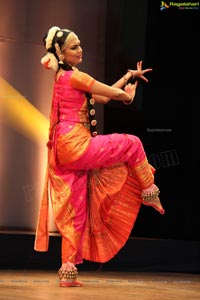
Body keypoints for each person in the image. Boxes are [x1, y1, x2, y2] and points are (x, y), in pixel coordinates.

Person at [34, 26, 165, 287]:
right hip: (76, 145)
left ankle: (67, 272)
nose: (80, 49)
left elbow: (101, 97)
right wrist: (127, 98)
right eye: (73, 47)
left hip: (65, 150)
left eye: (80, 44)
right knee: (132, 143)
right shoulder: (74, 76)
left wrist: (127, 76)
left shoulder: (64, 78)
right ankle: (149, 190)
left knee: (77, 210)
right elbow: (112, 94)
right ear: (60, 52)